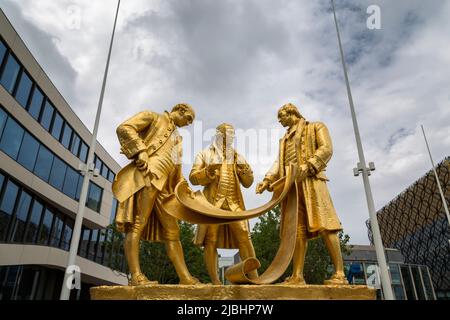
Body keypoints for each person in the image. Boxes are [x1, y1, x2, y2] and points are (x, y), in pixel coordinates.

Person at [256, 103, 348, 285]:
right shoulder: (284, 140)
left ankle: (339, 273)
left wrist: (309, 166)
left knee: (326, 224)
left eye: (281, 117)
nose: (280, 121)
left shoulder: (315, 127)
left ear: (291, 113)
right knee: (296, 232)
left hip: (312, 182)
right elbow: (279, 163)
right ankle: (297, 275)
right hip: (291, 189)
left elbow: (326, 148)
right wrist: (267, 179)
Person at [112, 103, 200, 286]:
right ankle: (136, 276)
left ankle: (185, 278)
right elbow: (124, 128)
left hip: (165, 188)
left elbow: (176, 168)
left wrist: (184, 187)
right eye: (188, 118)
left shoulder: (178, 139)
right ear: (180, 110)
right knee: (138, 223)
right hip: (147, 176)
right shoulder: (152, 117)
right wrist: (141, 151)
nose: (188, 123)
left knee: (173, 232)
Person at [189, 123, 258, 284]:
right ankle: (216, 282)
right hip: (212, 205)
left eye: (233, 135)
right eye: (229, 134)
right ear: (219, 135)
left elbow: (248, 182)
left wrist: (246, 172)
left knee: (245, 237)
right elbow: (193, 177)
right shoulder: (205, 154)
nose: (232, 138)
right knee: (210, 240)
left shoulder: (237, 156)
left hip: (234, 204)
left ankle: (255, 278)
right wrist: (207, 172)